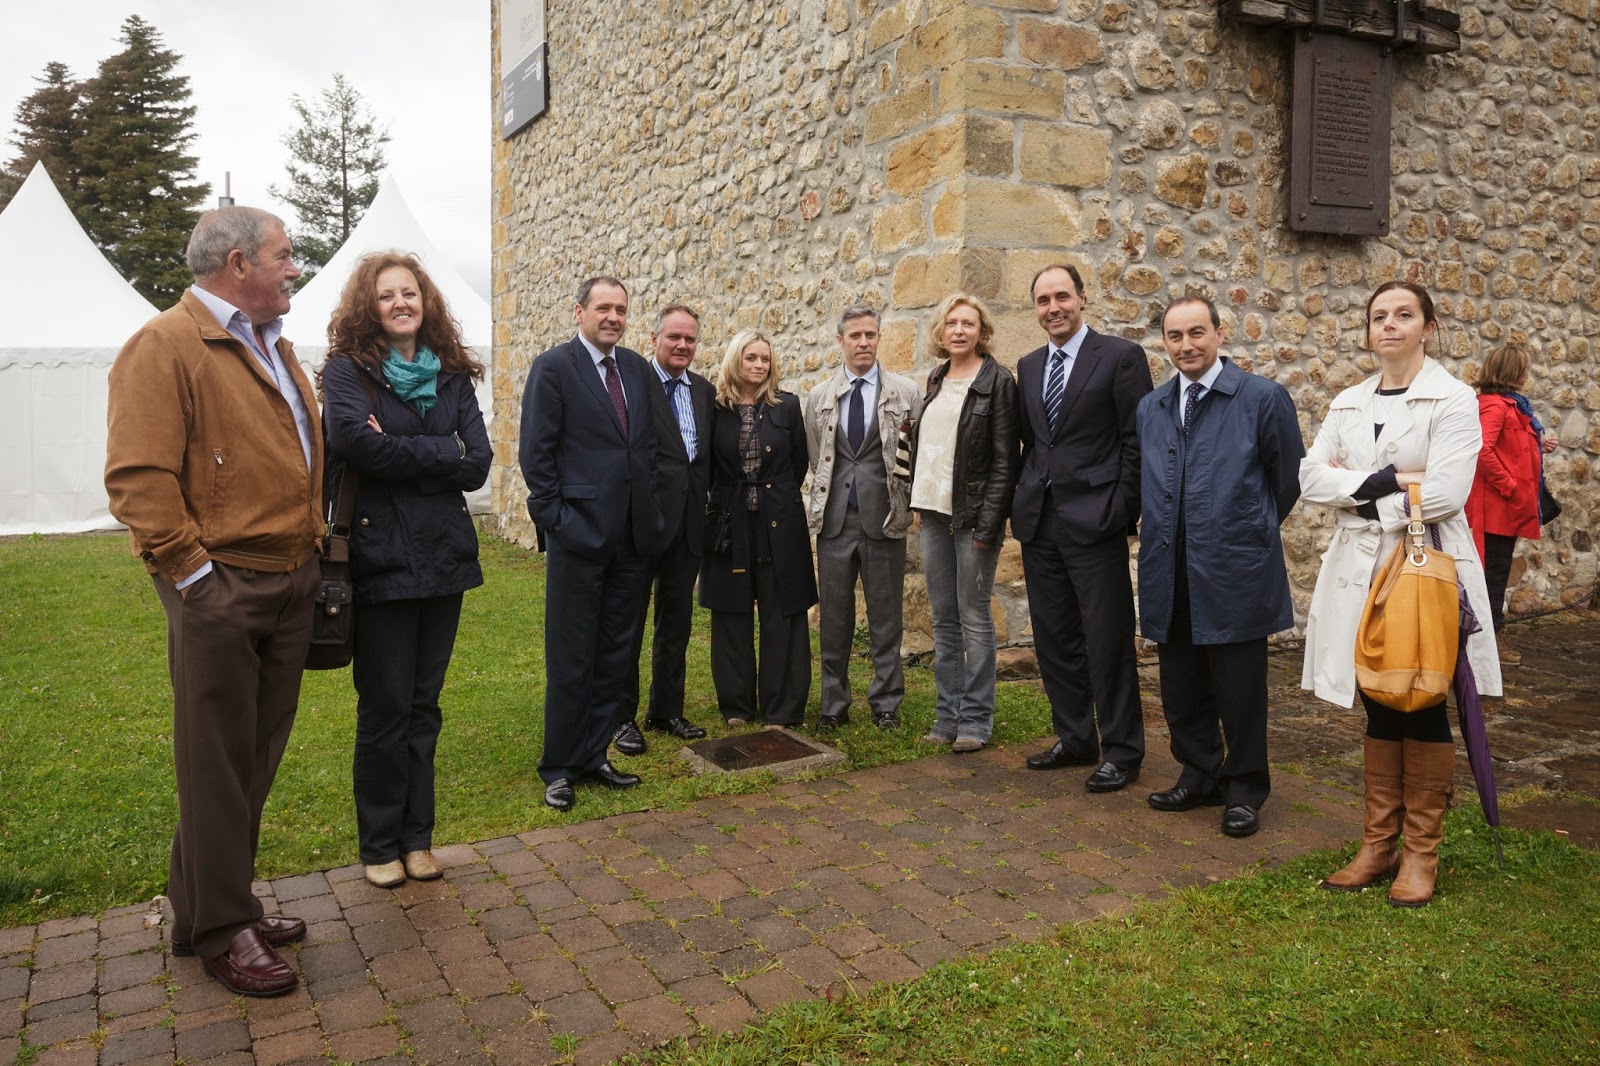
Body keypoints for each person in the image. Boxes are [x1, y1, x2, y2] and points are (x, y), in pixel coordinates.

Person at [104, 206, 319, 996]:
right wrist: (196, 577)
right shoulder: (164, 345)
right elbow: (137, 477)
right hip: (222, 584)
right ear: (238, 265)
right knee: (216, 760)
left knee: (249, 756)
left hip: (288, 578)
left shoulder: (273, 345)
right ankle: (224, 930)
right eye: (284, 256)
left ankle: (209, 907)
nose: (294, 267)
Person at [1302, 280, 1501, 907]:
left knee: (1420, 696)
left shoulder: (1453, 398)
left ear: (1428, 326)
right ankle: (1377, 843)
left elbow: (1446, 492)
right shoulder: (1346, 402)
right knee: (1378, 696)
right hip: (1356, 572)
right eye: (1379, 316)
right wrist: (1392, 479)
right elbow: (1309, 478)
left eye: (1404, 315)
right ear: (1368, 331)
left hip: (1420, 567)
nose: (1390, 325)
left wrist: (1359, 494)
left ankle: (1420, 853)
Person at [320, 253, 491, 887]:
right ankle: (378, 844)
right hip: (380, 560)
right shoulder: (347, 373)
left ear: (427, 303)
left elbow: (478, 462)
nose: (400, 303)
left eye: (410, 293)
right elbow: (355, 444)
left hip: (444, 560)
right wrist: (439, 450)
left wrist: (408, 451)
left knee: (425, 705)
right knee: (387, 706)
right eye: (387, 294)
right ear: (368, 305)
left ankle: (418, 839)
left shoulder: (451, 376)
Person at [1136, 297, 1305, 838]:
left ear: (1218, 333)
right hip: (1170, 567)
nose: (1186, 345)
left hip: (1233, 567)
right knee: (1181, 684)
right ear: (1164, 341)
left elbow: (1287, 481)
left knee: (1240, 690)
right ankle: (1200, 772)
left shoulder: (1261, 399)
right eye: (1174, 335)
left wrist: (1243, 530)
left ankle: (1245, 788)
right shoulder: (1153, 407)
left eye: (1196, 333)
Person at [519, 277, 662, 812]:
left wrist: (652, 513)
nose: (613, 316)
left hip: (630, 539)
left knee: (614, 653)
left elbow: (644, 448)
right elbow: (537, 452)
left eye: (621, 309)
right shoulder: (553, 368)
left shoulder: (637, 370)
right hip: (578, 534)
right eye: (603, 307)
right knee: (572, 655)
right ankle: (559, 766)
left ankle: (594, 753)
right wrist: (555, 519)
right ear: (579, 311)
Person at [1012, 264, 1152, 790]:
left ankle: (1122, 749)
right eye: (1044, 299)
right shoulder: (1027, 367)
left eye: (1062, 296)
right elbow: (1032, 441)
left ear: (1082, 298)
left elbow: (1137, 439)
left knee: (1107, 638)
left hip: (1097, 520)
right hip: (1041, 522)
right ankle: (1075, 738)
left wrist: (1123, 509)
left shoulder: (1119, 357)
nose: (1054, 307)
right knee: (1055, 638)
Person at [803, 305, 923, 731]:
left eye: (870, 335)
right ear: (840, 341)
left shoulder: (905, 393)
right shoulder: (819, 397)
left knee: (886, 616)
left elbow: (914, 454)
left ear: (879, 338)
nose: (863, 343)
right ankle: (833, 705)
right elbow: (819, 458)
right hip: (835, 521)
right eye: (855, 336)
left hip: (885, 518)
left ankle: (886, 703)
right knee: (833, 617)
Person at [908, 294, 1019, 752]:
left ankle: (976, 720)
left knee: (974, 616)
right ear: (941, 331)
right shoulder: (935, 379)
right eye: (951, 323)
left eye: (968, 324)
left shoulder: (998, 382)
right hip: (933, 515)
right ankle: (946, 714)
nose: (958, 330)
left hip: (974, 519)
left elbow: (1004, 464)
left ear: (982, 331)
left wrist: (990, 527)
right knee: (943, 616)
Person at [700, 330, 817, 727]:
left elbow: (798, 463)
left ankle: (781, 707)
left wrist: (773, 496)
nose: (758, 365)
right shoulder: (715, 407)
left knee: (781, 610)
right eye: (751, 357)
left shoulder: (787, 406)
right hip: (729, 523)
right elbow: (709, 466)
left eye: (764, 359)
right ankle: (736, 706)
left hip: (779, 522)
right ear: (735, 360)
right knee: (731, 612)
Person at [613, 305, 714, 756]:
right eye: (674, 337)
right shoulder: (633, 386)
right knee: (629, 624)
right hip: (640, 523)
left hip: (689, 525)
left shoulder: (705, 392)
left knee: (675, 622)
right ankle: (620, 718)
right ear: (653, 338)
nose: (682, 346)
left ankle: (666, 710)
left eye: (690, 339)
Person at [1464, 343, 1550, 667]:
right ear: (1513, 373)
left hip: (1506, 507)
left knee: (1495, 574)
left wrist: (1540, 443)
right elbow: (1482, 450)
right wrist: (1511, 487)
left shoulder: (1514, 405)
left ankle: (1488, 640)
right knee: (1492, 575)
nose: (1528, 375)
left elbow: (1509, 446)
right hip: (1496, 508)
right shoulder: (1495, 406)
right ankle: (1489, 643)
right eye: (1524, 370)